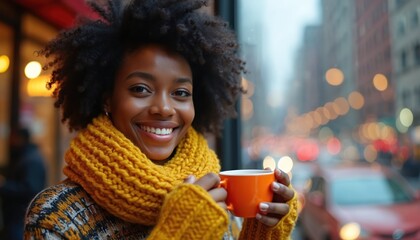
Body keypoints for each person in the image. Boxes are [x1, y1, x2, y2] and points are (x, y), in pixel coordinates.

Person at [24, 0, 298, 239]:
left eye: (180, 93)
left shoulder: (217, 198)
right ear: (108, 98)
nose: (164, 108)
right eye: (141, 89)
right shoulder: (55, 216)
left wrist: (262, 234)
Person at [0, 127, 46, 240]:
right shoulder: (25, 156)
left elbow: (30, 189)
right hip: (17, 217)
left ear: (21, 139)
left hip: (21, 218)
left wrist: (4, 185)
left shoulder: (31, 160)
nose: (11, 142)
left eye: (13, 138)